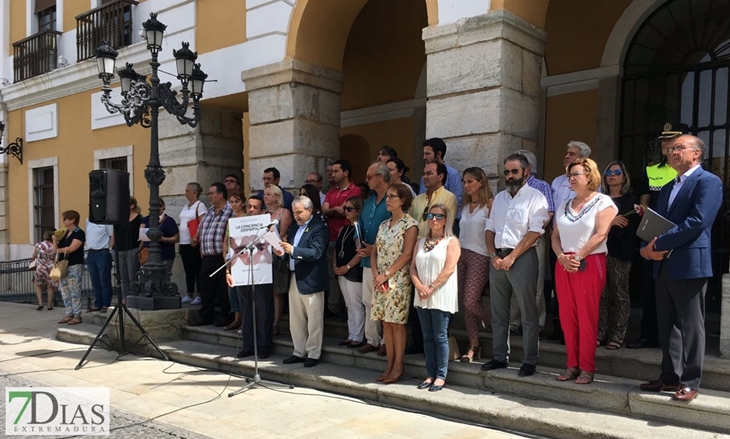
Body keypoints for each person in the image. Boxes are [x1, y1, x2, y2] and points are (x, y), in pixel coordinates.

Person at [639, 135, 722, 402]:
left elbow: (698, 221)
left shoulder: (708, 182)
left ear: (696, 154)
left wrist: (659, 242)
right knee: (667, 324)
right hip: (662, 264)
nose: (672, 152)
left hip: (689, 263)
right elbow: (658, 222)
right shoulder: (667, 186)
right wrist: (645, 248)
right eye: (670, 149)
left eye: (679, 148)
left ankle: (690, 381)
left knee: (691, 325)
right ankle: (669, 376)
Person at [483, 153, 549, 378]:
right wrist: (492, 254)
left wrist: (513, 256)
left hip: (522, 259)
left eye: (514, 171)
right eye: (507, 172)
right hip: (497, 259)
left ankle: (529, 361)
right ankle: (500, 357)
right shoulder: (500, 197)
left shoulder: (536, 197)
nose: (509, 176)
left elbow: (534, 231)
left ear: (526, 171)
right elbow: (489, 228)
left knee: (528, 313)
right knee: (498, 314)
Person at [552, 158, 616, 385]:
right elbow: (555, 236)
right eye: (570, 174)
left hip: (589, 262)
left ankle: (587, 367)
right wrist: (561, 257)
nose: (571, 178)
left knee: (587, 317)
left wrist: (577, 257)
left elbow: (600, 235)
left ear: (589, 176)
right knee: (567, 318)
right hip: (564, 263)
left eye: (576, 174)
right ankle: (572, 364)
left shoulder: (603, 202)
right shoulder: (564, 205)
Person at [629, 123, 686, 349]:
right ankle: (648, 334)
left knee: (676, 293)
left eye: (670, 139)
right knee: (649, 290)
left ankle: (672, 341)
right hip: (652, 238)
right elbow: (644, 202)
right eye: (663, 140)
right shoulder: (651, 170)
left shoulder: (686, 171)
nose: (665, 143)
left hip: (679, 239)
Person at [408, 162, 457, 354]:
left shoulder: (448, 197)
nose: (425, 177)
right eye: (424, 173)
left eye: (429, 173)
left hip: (438, 252)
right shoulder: (418, 200)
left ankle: (440, 362)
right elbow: (412, 225)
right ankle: (419, 344)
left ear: (441, 176)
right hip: (418, 252)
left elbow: (446, 224)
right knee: (418, 303)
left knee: (439, 318)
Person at [371, 183, 418, 383]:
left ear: (403, 200)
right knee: (386, 323)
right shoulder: (383, 224)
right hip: (380, 279)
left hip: (398, 280)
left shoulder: (410, 224)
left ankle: (398, 366)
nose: (388, 200)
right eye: (387, 196)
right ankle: (389, 364)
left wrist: (386, 275)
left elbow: (407, 254)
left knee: (397, 324)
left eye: (392, 196)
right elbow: (374, 251)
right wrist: (376, 275)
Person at [410, 204, 460, 392]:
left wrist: (431, 287)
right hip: (422, 293)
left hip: (440, 294)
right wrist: (419, 286)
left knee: (440, 336)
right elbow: (412, 267)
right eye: (430, 215)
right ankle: (430, 373)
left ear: (446, 219)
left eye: (439, 216)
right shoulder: (421, 241)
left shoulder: (452, 241)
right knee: (427, 336)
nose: (434, 219)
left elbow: (449, 268)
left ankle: (440, 375)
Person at [276, 196, 329, 368]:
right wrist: (282, 253)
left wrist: (293, 250)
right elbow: (290, 252)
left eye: (299, 212)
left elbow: (316, 252)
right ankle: (299, 351)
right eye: (294, 212)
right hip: (294, 277)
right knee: (296, 319)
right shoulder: (293, 229)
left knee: (314, 319)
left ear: (309, 210)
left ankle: (313, 353)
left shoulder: (319, 228)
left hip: (311, 279)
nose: (296, 215)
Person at [547, 140, 592, 342]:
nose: (567, 156)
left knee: (579, 292)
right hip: (557, 242)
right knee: (559, 288)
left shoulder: (594, 187)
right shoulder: (556, 182)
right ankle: (559, 327)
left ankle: (577, 332)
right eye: (567, 153)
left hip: (580, 245)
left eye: (572, 154)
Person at [510, 150, 554, 337]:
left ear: (527, 168)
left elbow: (550, 211)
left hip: (534, 240)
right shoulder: (510, 187)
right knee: (513, 283)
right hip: (512, 241)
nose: (511, 173)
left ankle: (536, 323)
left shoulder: (541, 186)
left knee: (535, 284)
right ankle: (514, 323)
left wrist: (532, 231)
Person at [598, 160, 639, 350]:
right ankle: (600, 333)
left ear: (624, 177)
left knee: (620, 295)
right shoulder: (598, 199)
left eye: (617, 172)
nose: (612, 175)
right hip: (599, 252)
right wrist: (611, 222)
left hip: (620, 253)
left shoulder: (631, 199)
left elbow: (624, 228)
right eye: (608, 172)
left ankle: (618, 335)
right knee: (602, 296)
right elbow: (591, 226)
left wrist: (607, 224)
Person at [228, 194, 275, 358]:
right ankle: (248, 344)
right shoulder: (238, 225)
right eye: (249, 207)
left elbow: (278, 249)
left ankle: (264, 345)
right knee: (246, 310)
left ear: (263, 210)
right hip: (242, 273)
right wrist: (228, 272)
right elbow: (231, 252)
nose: (252, 210)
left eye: (256, 207)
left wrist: (271, 234)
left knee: (263, 310)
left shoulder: (268, 226)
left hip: (262, 274)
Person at [457, 167, 493, 362]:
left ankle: (495, 323)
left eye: (471, 181)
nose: (467, 185)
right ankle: (473, 344)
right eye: (464, 181)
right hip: (461, 254)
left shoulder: (489, 205)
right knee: (466, 302)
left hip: (480, 255)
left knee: (471, 300)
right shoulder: (464, 207)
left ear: (481, 182)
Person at [356, 162, 392, 355]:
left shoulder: (392, 199)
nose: (367, 180)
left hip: (386, 262)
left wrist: (374, 249)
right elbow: (360, 225)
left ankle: (387, 341)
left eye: (370, 177)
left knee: (385, 301)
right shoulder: (369, 201)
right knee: (368, 299)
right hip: (367, 260)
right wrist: (358, 241)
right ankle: (372, 339)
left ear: (381, 177)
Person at [322, 159, 363, 318]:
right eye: (331, 171)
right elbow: (325, 211)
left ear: (346, 172)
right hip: (333, 236)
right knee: (333, 274)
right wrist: (334, 209)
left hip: (350, 237)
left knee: (349, 275)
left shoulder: (355, 190)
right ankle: (334, 307)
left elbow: (345, 208)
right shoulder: (331, 192)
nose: (333, 174)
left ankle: (347, 311)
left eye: (336, 171)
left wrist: (334, 209)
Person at [192, 183, 233, 326]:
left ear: (221, 194)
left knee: (223, 287)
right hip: (207, 256)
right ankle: (206, 316)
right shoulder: (209, 211)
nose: (209, 196)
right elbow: (203, 229)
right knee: (205, 286)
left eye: (212, 193)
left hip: (221, 256)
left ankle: (226, 316)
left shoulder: (230, 210)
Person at [334, 197, 365, 348]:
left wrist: (347, 267)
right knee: (348, 304)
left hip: (352, 270)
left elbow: (360, 253)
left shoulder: (359, 228)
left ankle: (359, 336)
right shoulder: (343, 229)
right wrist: (335, 264)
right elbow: (336, 248)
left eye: (350, 209)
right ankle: (351, 333)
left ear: (358, 211)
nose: (346, 211)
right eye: (345, 208)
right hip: (341, 269)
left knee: (356, 304)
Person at [264, 184, 293, 335]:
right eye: (265, 194)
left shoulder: (284, 212)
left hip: (277, 255)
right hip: (263, 256)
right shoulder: (263, 214)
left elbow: (283, 235)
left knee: (277, 291)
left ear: (276, 196)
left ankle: (276, 322)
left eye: (268, 194)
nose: (265, 196)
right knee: (266, 291)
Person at [54, 210, 86, 325]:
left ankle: (77, 315)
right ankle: (69, 313)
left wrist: (59, 250)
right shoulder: (64, 233)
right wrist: (54, 240)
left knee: (74, 290)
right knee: (65, 290)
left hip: (74, 264)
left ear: (72, 220)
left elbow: (72, 248)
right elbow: (56, 248)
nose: (63, 221)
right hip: (63, 264)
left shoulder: (79, 233)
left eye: (65, 219)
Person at [222, 190, 247, 331]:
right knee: (232, 289)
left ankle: (244, 319)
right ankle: (236, 318)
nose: (234, 204)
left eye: (237, 201)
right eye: (231, 202)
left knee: (242, 290)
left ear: (243, 203)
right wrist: (225, 255)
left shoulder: (246, 218)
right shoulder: (231, 220)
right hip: (231, 258)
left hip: (243, 257)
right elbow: (226, 239)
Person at [139, 197, 179, 283]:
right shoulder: (146, 219)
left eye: (159, 206)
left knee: (164, 279)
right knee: (148, 279)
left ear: (163, 206)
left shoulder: (169, 221)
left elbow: (176, 238)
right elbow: (142, 236)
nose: (157, 208)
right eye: (154, 206)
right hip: (148, 255)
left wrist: (165, 239)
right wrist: (139, 250)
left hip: (165, 254)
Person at [418, 138, 463, 215]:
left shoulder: (452, 174)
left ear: (438, 154)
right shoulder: (424, 177)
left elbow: (456, 203)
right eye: (424, 154)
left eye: (428, 154)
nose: (424, 157)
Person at [178, 183, 206, 305]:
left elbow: (202, 223)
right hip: (184, 241)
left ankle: (199, 293)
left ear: (195, 193)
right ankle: (189, 293)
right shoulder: (186, 206)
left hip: (193, 242)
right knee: (187, 269)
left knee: (196, 268)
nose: (185, 193)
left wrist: (195, 238)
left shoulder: (200, 206)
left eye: (187, 191)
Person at [114, 196, 142, 305]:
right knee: (122, 276)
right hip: (120, 249)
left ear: (132, 206)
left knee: (132, 275)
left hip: (133, 249)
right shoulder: (120, 219)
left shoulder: (139, 219)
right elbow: (115, 234)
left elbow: (141, 235)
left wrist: (138, 249)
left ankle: (133, 296)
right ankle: (124, 298)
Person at [85, 217, 114, 313]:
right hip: (91, 252)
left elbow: (112, 234)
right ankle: (98, 303)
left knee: (104, 280)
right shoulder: (88, 220)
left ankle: (106, 303)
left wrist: (110, 249)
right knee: (95, 281)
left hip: (103, 252)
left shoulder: (106, 220)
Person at [32, 230, 58, 310]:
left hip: (40, 268)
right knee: (50, 286)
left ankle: (40, 303)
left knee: (38, 285)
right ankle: (49, 305)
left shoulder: (39, 245)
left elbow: (34, 255)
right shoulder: (55, 246)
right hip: (51, 268)